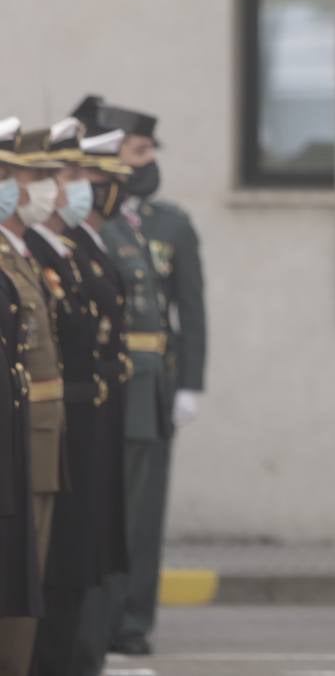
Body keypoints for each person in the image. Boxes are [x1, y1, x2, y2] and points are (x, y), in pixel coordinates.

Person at [70, 97, 189, 657]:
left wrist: (189, 383)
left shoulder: (164, 222)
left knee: (143, 514)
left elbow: (189, 309)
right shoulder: (94, 228)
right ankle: (103, 615)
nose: (145, 163)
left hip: (151, 383)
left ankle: (133, 620)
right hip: (107, 382)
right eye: (136, 152)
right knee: (107, 509)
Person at [19, 120, 117, 676]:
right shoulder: (29, 253)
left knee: (70, 562)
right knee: (48, 567)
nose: (73, 187)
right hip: (46, 421)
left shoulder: (64, 250)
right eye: (63, 175)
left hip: (73, 417)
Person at [63, 127, 133, 676]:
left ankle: (90, 648)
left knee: (99, 533)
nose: (100, 190)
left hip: (102, 401)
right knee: (79, 537)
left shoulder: (94, 245)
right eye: (89, 178)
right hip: (77, 408)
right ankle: (81, 651)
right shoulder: (67, 250)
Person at [0, 118, 65, 676]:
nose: (47, 188)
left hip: (34, 425)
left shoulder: (22, 252)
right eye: (28, 176)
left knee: (29, 566)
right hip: (19, 426)